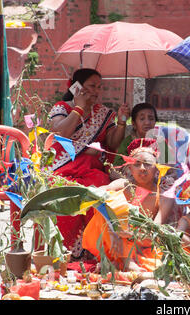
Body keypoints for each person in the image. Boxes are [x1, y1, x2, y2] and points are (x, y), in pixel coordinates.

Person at [48, 68, 131, 257]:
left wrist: (122, 120)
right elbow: (61, 134)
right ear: (76, 87)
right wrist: (78, 107)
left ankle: (93, 249)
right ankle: (67, 251)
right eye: (92, 86)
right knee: (64, 194)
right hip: (62, 169)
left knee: (100, 190)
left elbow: (112, 143)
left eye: (99, 87)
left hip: (91, 170)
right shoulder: (62, 107)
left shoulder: (102, 113)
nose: (96, 91)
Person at [82, 138, 176, 272]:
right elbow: (95, 195)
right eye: (137, 164)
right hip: (114, 241)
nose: (142, 169)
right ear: (130, 168)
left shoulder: (164, 197)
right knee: (108, 199)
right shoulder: (122, 185)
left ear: (157, 169)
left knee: (159, 267)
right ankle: (120, 261)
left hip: (143, 244)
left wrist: (128, 235)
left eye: (148, 164)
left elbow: (155, 235)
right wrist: (113, 230)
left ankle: (121, 262)